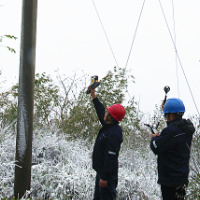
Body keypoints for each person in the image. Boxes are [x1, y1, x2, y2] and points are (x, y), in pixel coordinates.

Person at [150, 98, 195, 200]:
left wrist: (154, 138)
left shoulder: (171, 132)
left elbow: (156, 147)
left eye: (166, 115)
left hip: (170, 180)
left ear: (171, 115)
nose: (165, 117)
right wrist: (167, 107)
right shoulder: (186, 129)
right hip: (181, 178)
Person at [90, 87, 125, 200]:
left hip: (107, 177)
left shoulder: (113, 133)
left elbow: (111, 157)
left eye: (107, 112)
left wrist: (104, 177)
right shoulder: (108, 126)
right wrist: (94, 96)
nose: (105, 112)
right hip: (102, 173)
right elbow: (100, 111)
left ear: (110, 117)